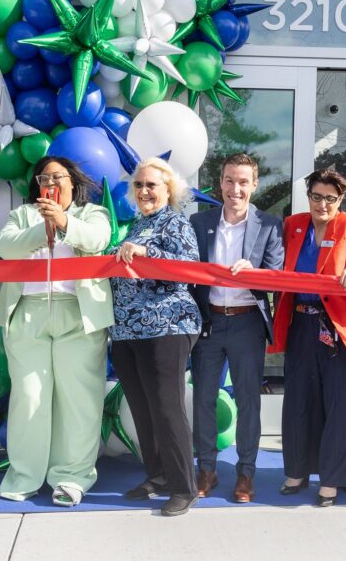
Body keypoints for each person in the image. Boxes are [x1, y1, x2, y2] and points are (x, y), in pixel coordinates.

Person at [0, 156, 113, 506]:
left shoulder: (92, 213)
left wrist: (63, 222)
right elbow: (6, 246)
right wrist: (42, 228)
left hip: (78, 314)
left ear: (72, 183)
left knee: (79, 400)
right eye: (45, 177)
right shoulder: (23, 214)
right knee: (29, 396)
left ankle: (72, 478)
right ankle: (24, 475)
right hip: (28, 313)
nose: (52, 183)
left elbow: (97, 240)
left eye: (59, 177)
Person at [270, 168, 346, 508]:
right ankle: (296, 471)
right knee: (298, 400)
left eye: (331, 198)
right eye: (317, 196)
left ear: (341, 199)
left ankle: (332, 479)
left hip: (338, 327)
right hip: (301, 324)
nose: (323, 204)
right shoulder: (293, 224)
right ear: (308, 196)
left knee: (341, 406)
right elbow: (274, 264)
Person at [109, 157, 202, 517]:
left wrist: (150, 252)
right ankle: (158, 476)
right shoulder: (134, 226)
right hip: (128, 331)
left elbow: (189, 267)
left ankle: (184, 487)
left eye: (152, 185)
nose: (145, 191)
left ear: (169, 190)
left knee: (167, 408)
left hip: (167, 327)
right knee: (143, 409)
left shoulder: (175, 222)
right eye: (139, 185)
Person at [189, 153, 284, 503]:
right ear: (221, 182)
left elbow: (276, 276)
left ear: (254, 185)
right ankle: (207, 469)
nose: (235, 188)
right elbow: (186, 272)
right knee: (203, 399)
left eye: (243, 181)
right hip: (209, 322)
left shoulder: (271, 225)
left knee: (248, 402)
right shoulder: (200, 223)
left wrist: (254, 273)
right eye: (230, 180)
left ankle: (246, 473)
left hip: (247, 323)